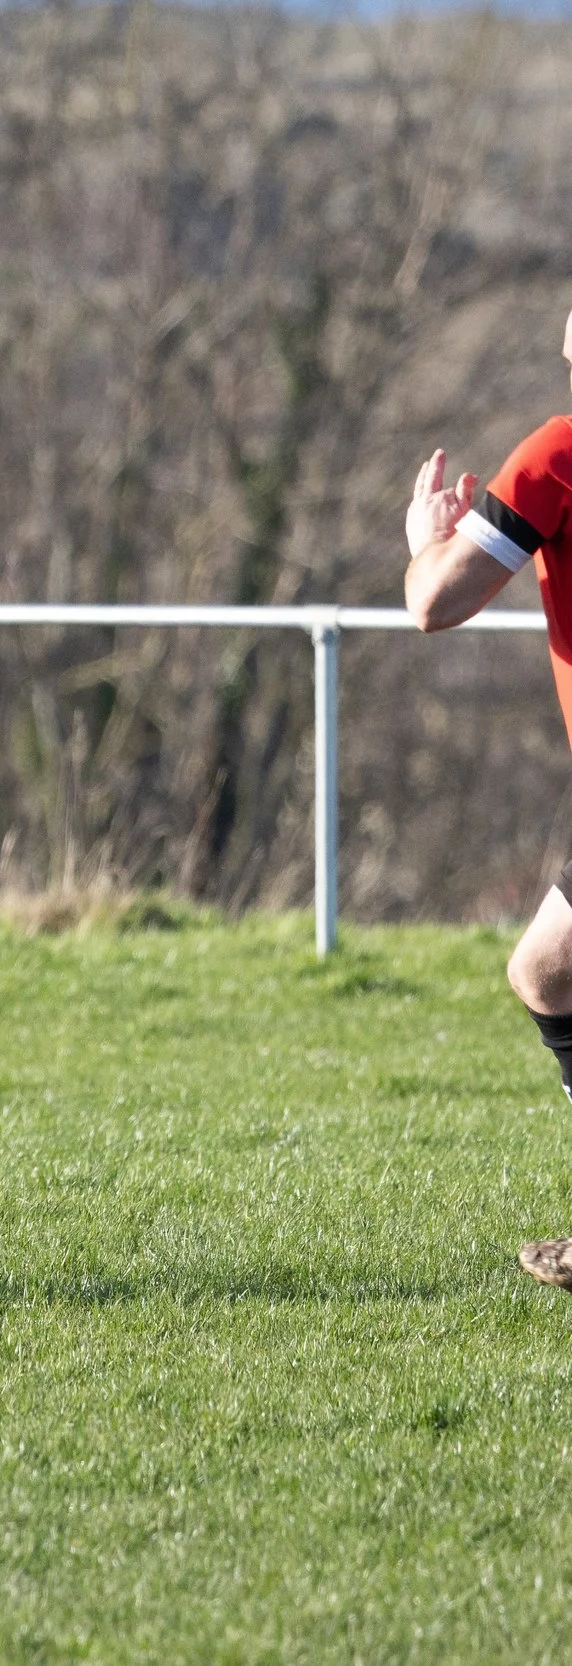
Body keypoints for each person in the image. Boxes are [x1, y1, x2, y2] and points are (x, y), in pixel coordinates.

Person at [403, 306, 572, 1289]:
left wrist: (424, 540)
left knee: (548, 969)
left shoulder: (555, 453)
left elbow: (437, 602)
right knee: (549, 970)